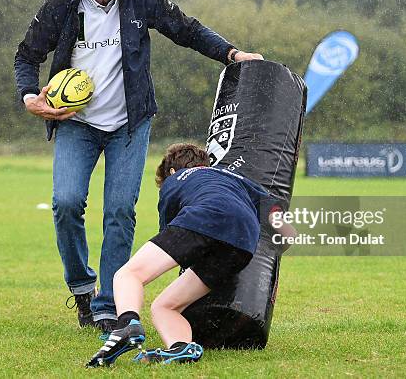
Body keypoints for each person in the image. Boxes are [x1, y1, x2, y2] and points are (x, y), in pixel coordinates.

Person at [13, 0, 263, 336]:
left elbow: (187, 29)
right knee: (66, 203)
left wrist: (232, 53)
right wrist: (29, 96)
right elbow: (27, 55)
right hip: (76, 123)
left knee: (119, 212)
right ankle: (81, 287)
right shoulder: (61, 5)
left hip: (130, 123)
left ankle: (109, 305)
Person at [86, 143, 269, 367]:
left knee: (128, 275)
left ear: (171, 172)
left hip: (203, 218)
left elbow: (174, 240)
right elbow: (279, 222)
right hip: (243, 244)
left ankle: (126, 324)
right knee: (164, 306)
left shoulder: (175, 181)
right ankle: (180, 347)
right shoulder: (234, 178)